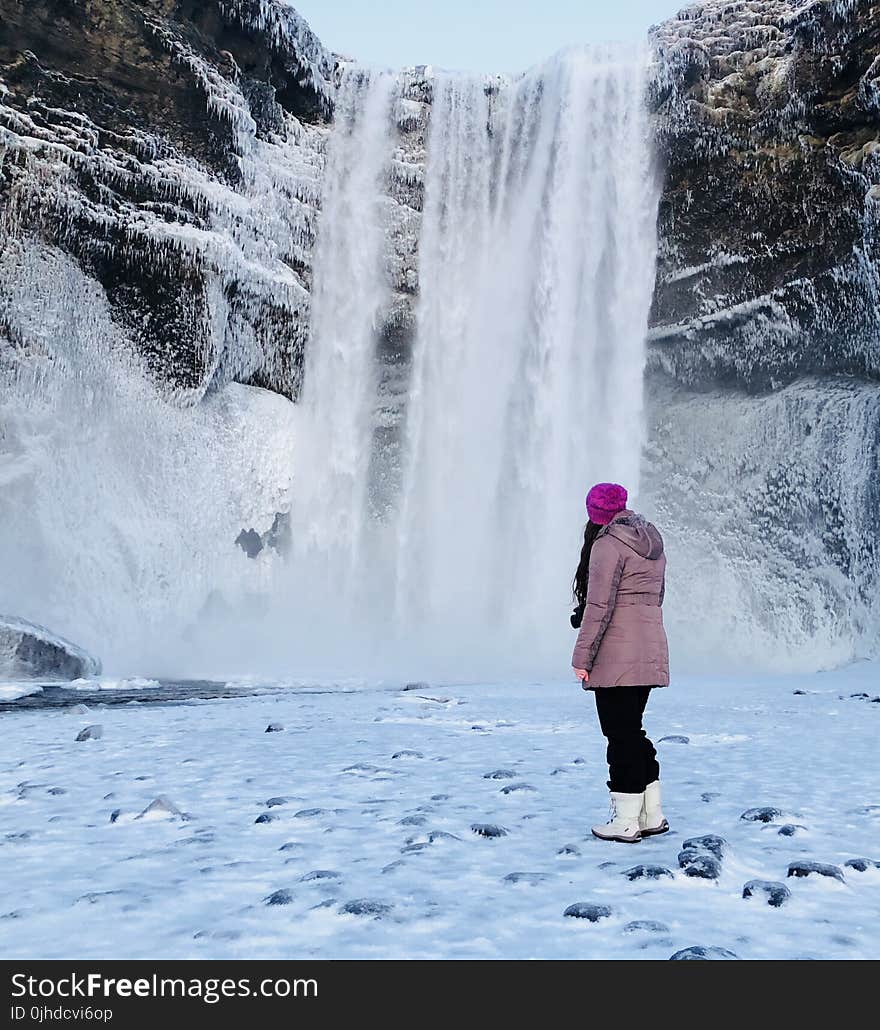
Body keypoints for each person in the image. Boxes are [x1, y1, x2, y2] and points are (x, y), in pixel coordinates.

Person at [571, 482, 670, 843]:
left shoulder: (607, 546)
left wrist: (582, 657)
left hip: (616, 655)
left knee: (619, 734)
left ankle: (625, 820)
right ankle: (650, 814)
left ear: (595, 514)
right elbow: (655, 598)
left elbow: (599, 609)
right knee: (633, 730)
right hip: (649, 650)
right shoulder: (651, 543)